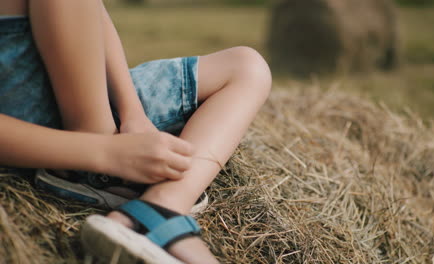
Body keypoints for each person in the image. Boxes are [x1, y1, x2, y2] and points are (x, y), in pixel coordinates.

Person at [0, 0, 271, 263]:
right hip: (30, 107)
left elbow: (92, 13)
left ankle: (163, 206)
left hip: (90, 92)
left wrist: (134, 115)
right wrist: (105, 152)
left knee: (247, 67)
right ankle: (90, 168)